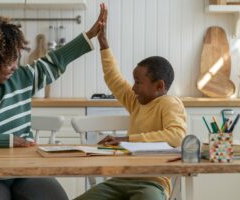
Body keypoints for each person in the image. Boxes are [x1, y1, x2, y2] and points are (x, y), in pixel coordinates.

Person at [0, 5, 106, 200]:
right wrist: (9, 141)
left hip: (27, 169)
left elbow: (54, 61)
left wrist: (90, 34)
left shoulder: (21, 78)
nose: (14, 66)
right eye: (8, 61)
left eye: (16, 59)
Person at [74, 4, 187, 200]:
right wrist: (103, 44)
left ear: (159, 86)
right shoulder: (137, 102)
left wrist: (127, 141)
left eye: (138, 82)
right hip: (121, 179)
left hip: (153, 182)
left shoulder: (169, 104)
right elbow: (113, 79)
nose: (133, 88)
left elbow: (176, 136)